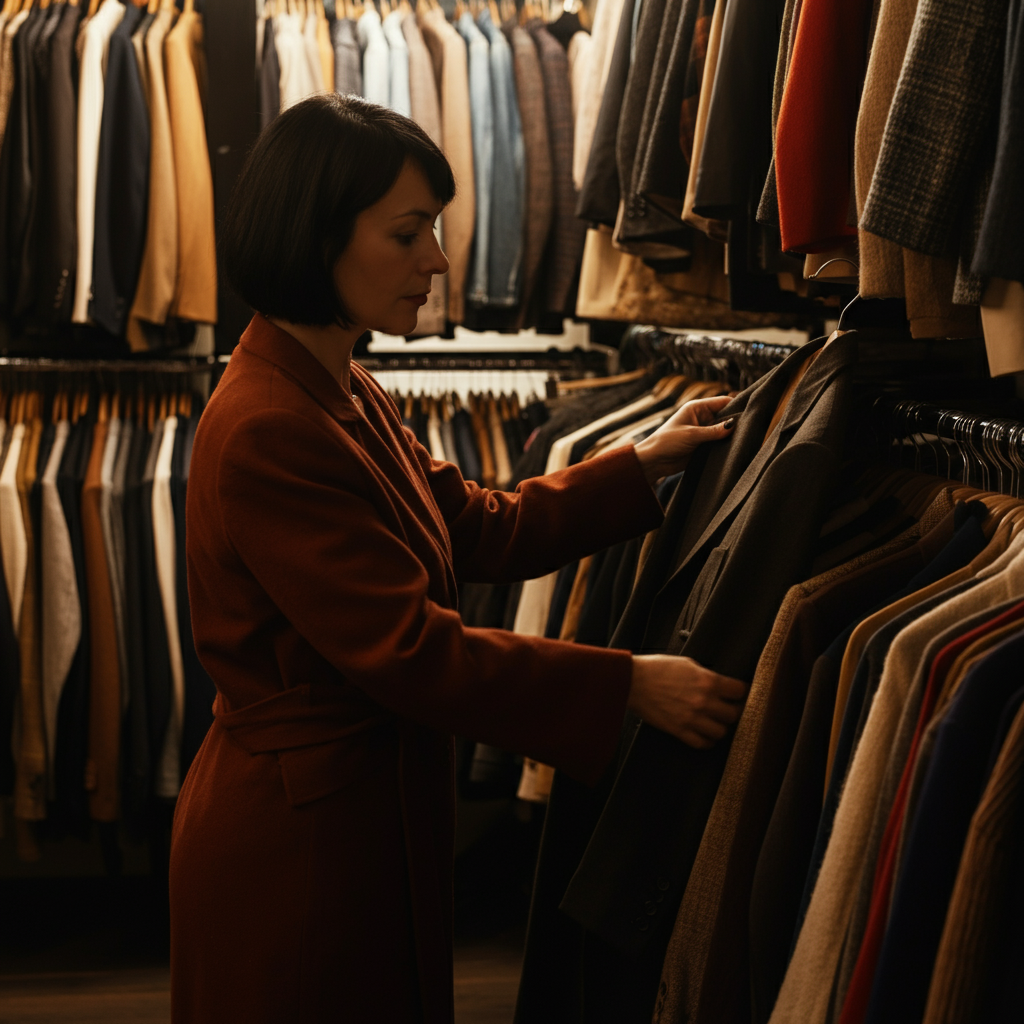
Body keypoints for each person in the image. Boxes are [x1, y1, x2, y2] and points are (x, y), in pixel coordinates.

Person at [171, 94, 747, 1024]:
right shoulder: (271, 426)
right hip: (300, 842)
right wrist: (626, 685)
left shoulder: (337, 381)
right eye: (408, 234)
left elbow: (475, 524)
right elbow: (410, 650)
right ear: (317, 235)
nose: (437, 261)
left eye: (432, 231)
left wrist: (641, 461)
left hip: (352, 811)